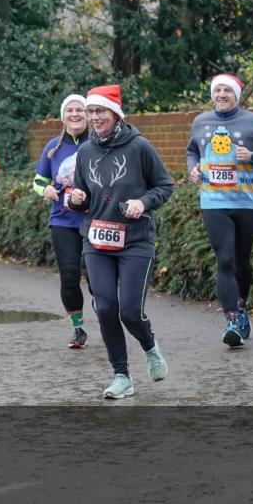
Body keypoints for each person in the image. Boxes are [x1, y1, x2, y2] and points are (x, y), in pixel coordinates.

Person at [69, 85, 173, 399]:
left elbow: (165, 185)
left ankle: (150, 346)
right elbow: (81, 196)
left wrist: (144, 202)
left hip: (135, 241)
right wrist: (76, 199)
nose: (94, 117)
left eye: (100, 111)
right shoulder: (85, 151)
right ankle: (121, 375)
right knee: (104, 307)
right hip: (96, 239)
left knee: (129, 311)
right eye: (91, 112)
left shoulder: (139, 147)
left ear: (115, 114)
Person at [186, 74, 253, 348]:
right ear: (213, 95)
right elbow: (192, 151)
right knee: (225, 260)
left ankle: (241, 305)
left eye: (227, 90)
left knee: (242, 260)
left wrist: (252, 156)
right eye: (218, 90)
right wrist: (193, 168)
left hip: (246, 202)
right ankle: (231, 321)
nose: (222, 94)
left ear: (236, 95)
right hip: (214, 201)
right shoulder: (201, 122)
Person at [33, 94, 91, 349]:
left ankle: (107, 313)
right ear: (63, 116)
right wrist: (44, 191)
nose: (75, 114)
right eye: (70, 110)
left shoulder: (99, 143)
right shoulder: (53, 147)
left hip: (95, 219)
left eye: (81, 109)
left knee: (98, 277)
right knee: (69, 276)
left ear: (88, 115)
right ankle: (78, 328)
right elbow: (37, 181)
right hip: (63, 220)